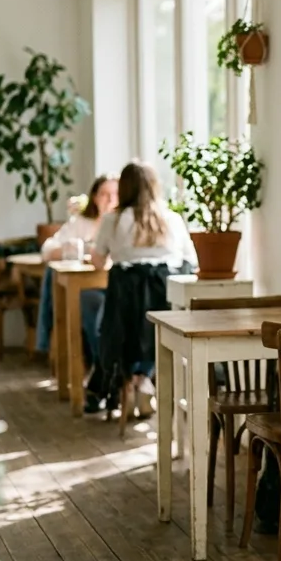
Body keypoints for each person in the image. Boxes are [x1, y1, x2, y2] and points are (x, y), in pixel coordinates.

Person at [87, 162, 191, 415]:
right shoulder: (172, 219)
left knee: (108, 325)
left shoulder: (112, 219)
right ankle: (143, 380)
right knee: (152, 328)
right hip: (165, 300)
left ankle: (125, 383)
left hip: (125, 303)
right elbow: (191, 262)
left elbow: (98, 261)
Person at [34, 175, 119, 364]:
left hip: (117, 284)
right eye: (104, 194)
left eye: (115, 194)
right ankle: (101, 365)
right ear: (95, 197)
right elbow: (47, 249)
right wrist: (73, 249)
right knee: (90, 302)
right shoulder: (81, 223)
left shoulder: (126, 222)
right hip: (88, 285)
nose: (110, 200)